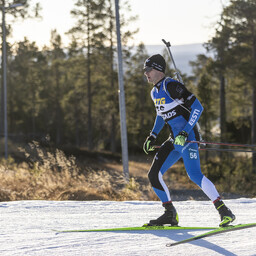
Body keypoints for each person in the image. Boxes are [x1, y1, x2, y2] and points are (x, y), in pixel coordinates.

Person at [143, 54, 235, 227]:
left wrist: (185, 133)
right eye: (145, 70)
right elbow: (161, 115)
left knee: (194, 174)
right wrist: (152, 135)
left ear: (158, 70)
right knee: (153, 174)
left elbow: (197, 107)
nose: (145, 73)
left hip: (189, 138)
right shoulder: (154, 92)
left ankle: (225, 212)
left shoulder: (172, 86)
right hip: (174, 140)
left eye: (148, 70)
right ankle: (170, 213)